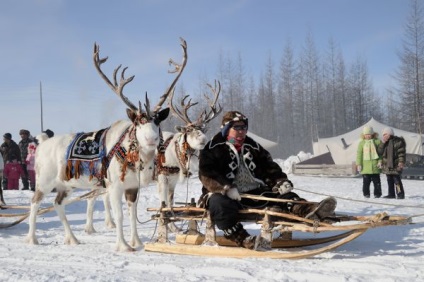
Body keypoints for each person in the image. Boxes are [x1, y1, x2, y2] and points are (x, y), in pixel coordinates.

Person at [198, 111, 337, 249]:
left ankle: (310, 212)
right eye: (237, 128)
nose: (241, 131)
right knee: (219, 205)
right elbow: (206, 174)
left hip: (256, 192)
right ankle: (244, 239)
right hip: (225, 195)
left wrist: (280, 181)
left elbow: (269, 167)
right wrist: (226, 188)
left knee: (284, 197)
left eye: (244, 127)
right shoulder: (212, 148)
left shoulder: (253, 146)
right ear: (227, 129)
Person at [377, 127, 406, 199]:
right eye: (383, 135)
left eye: (386, 134)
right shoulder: (383, 142)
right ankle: (391, 194)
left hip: (395, 165)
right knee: (389, 181)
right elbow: (379, 152)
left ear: (390, 134)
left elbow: (401, 153)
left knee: (397, 182)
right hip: (387, 166)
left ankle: (400, 194)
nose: (384, 136)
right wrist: (383, 143)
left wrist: (401, 162)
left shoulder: (398, 141)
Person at [355, 126, 382, 198]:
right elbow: (359, 154)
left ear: (372, 134)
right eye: (366, 134)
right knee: (366, 182)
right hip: (365, 167)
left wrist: (380, 161)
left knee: (377, 182)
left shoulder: (377, 142)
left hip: (375, 167)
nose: (367, 136)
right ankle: (366, 194)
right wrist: (359, 164)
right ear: (364, 135)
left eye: (369, 134)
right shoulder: (361, 143)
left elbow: (380, 153)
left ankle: (377, 194)